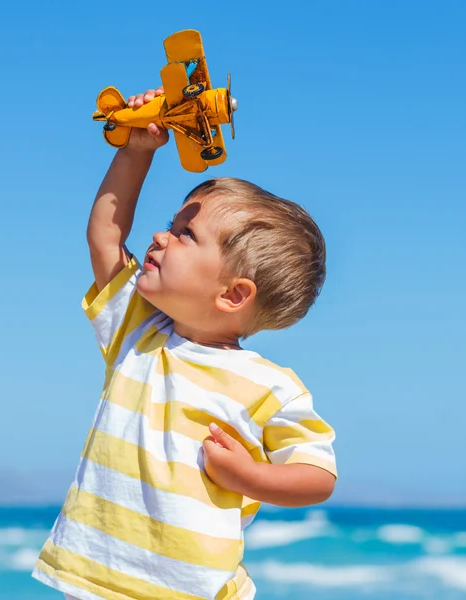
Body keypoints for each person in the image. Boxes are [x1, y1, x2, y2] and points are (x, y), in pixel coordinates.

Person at [32, 86, 337, 600]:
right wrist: (135, 151)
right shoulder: (137, 331)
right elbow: (106, 237)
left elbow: (316, 477)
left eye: (184, 235)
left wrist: (249, 475)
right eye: (173, 225)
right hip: (96, 581)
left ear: (233, 294)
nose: (160, 236)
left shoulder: (270, 386)